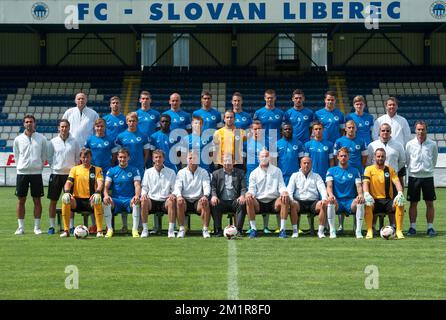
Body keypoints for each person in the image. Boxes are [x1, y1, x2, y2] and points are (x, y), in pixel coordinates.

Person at [13, 115, 48, 235]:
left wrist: (38, 166)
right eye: (27, 122)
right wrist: (21, 167)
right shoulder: (18, 139)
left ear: (35, 123)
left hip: (36, 173)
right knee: (21, 200)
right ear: (24, 124)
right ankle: (20, 228)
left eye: (31, 122)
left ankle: (37, 228)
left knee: (37, 200)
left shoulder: (41, 138)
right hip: (22, 173)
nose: (29, 124)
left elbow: (44, 155)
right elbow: (16, 155)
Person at [245, 150, 290, 238]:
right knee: (249, 199)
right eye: (262, 156)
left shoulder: (277, 171)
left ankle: (282, 230)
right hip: (259, 202)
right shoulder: (254, 173)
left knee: (285, 198)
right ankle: (253, 229)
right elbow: (252, 189)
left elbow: (281, 186)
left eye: (266, 156)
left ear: (269, 158)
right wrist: (249, 193)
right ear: (259, 158)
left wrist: (284, 191)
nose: (264, 158)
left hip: (274, 202)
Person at [60, 148, 104, 238]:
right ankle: (66, 230)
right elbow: (68, 182)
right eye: (83, 157)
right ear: (80, 158)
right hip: (77, 201)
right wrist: (67, 192)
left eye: (87, 157)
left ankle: (99, 231)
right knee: (65, 199)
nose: (85, 159)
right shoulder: (74, 169)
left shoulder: (97, 169)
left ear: (91, 157)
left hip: (90, 200)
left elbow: (100, 183)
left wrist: (97, 192)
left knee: (97, 199)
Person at [363, 148, 406, 239]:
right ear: (375, 157)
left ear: (385, 157)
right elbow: (365, 183)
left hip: (388, 201)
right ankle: (369, 230)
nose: (380, 158)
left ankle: (399, 230)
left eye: (382, 156)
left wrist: (400, 193)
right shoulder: (369, 169)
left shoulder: (390, 169)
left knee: (400, 202)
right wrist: (366, 194)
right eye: (378, 156)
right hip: (374, 201)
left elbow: (397, 182)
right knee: (367, 204)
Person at [405, 121, 438, 237]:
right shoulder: (409, 144)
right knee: (413, 204)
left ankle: (430, 227)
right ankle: (412, 227)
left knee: (430, 203)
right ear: (415, 130)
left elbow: (434, 160)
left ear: (426, 130)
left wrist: (427, 169)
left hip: (428, 177)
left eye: (423, 129)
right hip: (414, 177)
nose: (420, 131)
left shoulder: (432, 144)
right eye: (418, 129)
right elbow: (408, 160)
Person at [47, 119, 80, 235]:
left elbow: (77, 158)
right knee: (53, 201)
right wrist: (55, 167)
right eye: (62, 127)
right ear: (58, 128)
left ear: (69, 128)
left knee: (70, 200)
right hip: (56, 174)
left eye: (66, 127)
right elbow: (49, 157)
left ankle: (71, 226)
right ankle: (51, 226)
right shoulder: (52, 141)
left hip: (70, 175)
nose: (64, 129)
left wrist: (73, 170)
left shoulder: (74, 142)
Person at [326, 147, 365, 239]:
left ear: (348, 157)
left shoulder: (355, 171)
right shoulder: (331, 170)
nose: (343, 158)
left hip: (350, 201)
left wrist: (360, 195)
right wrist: (331, 195)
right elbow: (329, 186)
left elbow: (359, 186)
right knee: (330, 201)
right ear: (338, 157)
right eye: (341, 156)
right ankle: (332, 230)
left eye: (345, 156)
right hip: (337, 201)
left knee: (360, 201)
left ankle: (358, 231)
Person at [102, 148, 142, 238]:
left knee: (136, 202)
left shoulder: (134, 170)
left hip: (129, 199)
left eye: (124, 157)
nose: (122, 159)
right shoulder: (111, 170)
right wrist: (106, 195)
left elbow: (137, 185)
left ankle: (134, 230)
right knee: (106, 202)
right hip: (116, 200)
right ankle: (110, 229)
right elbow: (106, 187)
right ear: (117, 157)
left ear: (128, 158)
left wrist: (136, 195)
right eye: (120, 157)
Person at [173, 151, 212, 238]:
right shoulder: (181, 172)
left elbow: (206, 185)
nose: (192, 160)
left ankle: (205, 229)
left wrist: (205, 195)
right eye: (190, 158)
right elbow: (177, 187)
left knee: (205, 202)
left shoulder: (203, 172)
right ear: (187, 159)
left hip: (198, 200)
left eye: (194, 158)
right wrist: (179, 196)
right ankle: (182, 229)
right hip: (185, 200)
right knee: (179, 202)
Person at [288, 157, 328, 238]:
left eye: (308, 163)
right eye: (304, 163)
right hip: (299, 202)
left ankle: (320, 232)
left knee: (323, 204)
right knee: (293, 204)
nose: (306, 165)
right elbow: (289, 190)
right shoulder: (294, 175)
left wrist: (324, 199)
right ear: (300, 164)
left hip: (313, 202)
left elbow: (323, 189)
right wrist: (291, 200)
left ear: (311, 164)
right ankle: (295, 231)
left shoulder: (317, 176)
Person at [140, 150, 177, 238]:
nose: (158, 159)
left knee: (172, 201)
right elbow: (144, 187)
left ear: (164, 159)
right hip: (152, 200)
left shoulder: (171, 172)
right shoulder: (148, 172)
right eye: (156, 157)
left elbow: (175, 188)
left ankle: (171, 230)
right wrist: (144, 194)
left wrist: (173, 194)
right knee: (144, 201)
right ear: (153, 159)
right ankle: (145, 230)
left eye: (160, 157)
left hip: (165, 201)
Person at [210, 153, 247, 236]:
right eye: (225, 161)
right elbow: (213, 187)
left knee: (242, 203)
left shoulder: (240, 172)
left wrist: (242, 196)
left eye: (229, 161)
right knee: (214, 203)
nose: (227, 163)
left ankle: (239, 230)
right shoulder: (216, 173)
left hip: (235, 200)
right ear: (222, 162)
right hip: (221, 200)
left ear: (234, 162)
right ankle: (218, 230)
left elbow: (243, 187)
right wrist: (214, 196)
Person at [367, 123, 406, 187]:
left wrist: (394, 169)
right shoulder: (372, 145)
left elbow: (402, 161)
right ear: (379, 131)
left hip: (392, 178)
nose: (385, 132)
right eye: (383, 130)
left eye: (387, 131)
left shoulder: (398, 145)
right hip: (376, 179)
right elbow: (368, 162)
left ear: (391, 132)